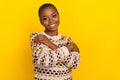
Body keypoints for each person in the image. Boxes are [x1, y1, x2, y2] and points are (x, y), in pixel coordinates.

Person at [30, 3, 80, 80]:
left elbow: (75, 64)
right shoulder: (37, 37)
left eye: (54, 16)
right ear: (41, 21)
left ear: (58, 16)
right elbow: (45, 60)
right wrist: (70, 47)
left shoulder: (67, 40)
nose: (51, 21)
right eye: (45, 18)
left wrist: (49, 44)